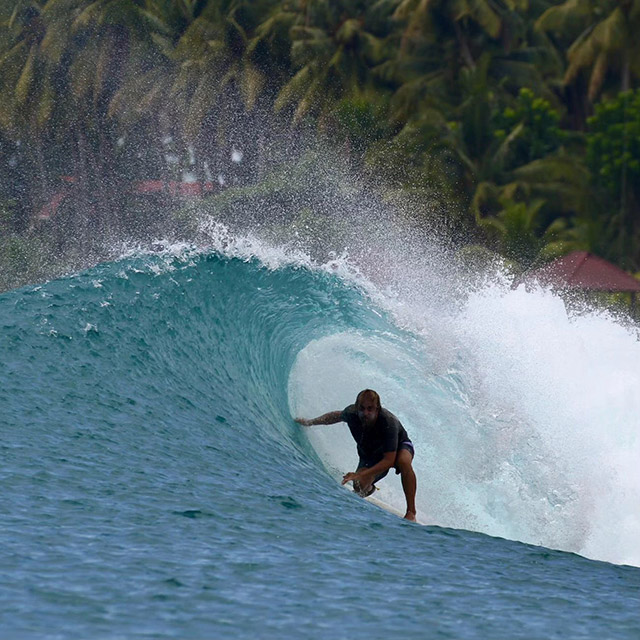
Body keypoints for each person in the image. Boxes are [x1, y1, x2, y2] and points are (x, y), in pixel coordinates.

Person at [295, 389, 417, 521]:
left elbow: (389, 460)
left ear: (377, 409)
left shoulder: (388, 422)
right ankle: (370, 488)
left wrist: (358, 474)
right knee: (359, 487)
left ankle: (411, 512)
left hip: (399, 448)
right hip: (372, 454)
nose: (365, 413)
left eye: (370, 409)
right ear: (356, 407)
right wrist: (310, 422)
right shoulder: (351, 413)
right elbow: (336, 416)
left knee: (404, 461)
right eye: (362, 408)